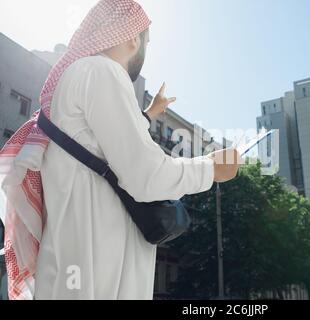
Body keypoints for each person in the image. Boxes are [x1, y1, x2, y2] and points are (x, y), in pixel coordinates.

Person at [0, 0, 240, 300]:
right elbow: (145, 175)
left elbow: (98, 143)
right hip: (97, 276)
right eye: (146, 41)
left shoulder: (77, 77)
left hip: (72, 270)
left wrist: (150, 113)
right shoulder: (102, 71)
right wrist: (211, 168)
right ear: (132, 37)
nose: (145, 50)